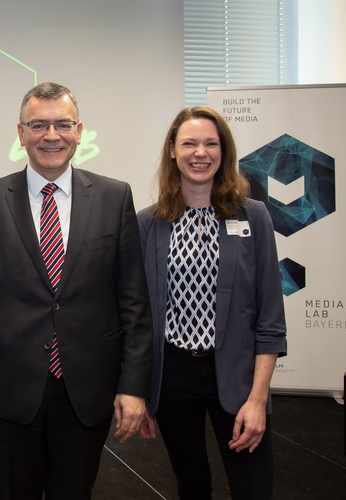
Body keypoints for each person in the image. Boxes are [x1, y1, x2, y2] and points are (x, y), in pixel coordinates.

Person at [0, 82, 153, 498]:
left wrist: (133, 386)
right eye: (38, 125)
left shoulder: (115, 197)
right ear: (21, 133)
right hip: (7, 390)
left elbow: (134, 302)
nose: (51, 135)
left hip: (88, 387)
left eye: (62, 124)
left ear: (80, 130)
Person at [137, 106, 287, 499]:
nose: (199, 152)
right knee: (192, 486)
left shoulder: (253, 217)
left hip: (238, 377)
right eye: (189, 143)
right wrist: (141, 391)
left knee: (253, 489)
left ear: (224, 152)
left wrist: (258, 400)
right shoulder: (149, 223)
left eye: (210, 143)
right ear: (172, 150)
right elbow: (137, 316)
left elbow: (270, 318)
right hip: (173, 378)